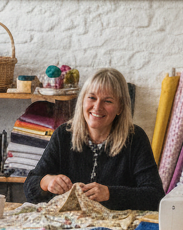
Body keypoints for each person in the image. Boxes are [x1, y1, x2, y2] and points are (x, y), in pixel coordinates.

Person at [24, 68, 164, 210]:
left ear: (120, 107)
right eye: (91, 98)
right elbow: (30, 188)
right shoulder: (64, 134)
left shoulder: (135, 138)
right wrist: (46, 182)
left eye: (107, 101)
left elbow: (155, 196)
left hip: (115, 228)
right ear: (83, 100)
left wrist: (110, 194)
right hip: (70, 225)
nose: (97, 107)